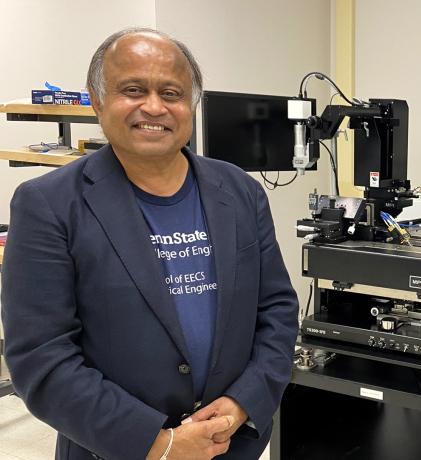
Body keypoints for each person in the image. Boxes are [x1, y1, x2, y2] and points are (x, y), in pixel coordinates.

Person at [1, 28, 299, 459]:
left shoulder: (238, 191)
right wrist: (159, 444)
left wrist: (241, 404)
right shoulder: (48, 204)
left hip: (230, 444)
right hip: (115, 449)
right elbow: (42, 359)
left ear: (191, 105)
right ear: (98, 100)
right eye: (133, 90)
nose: (154, 106)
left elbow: (277, 311)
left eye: (171, 92)